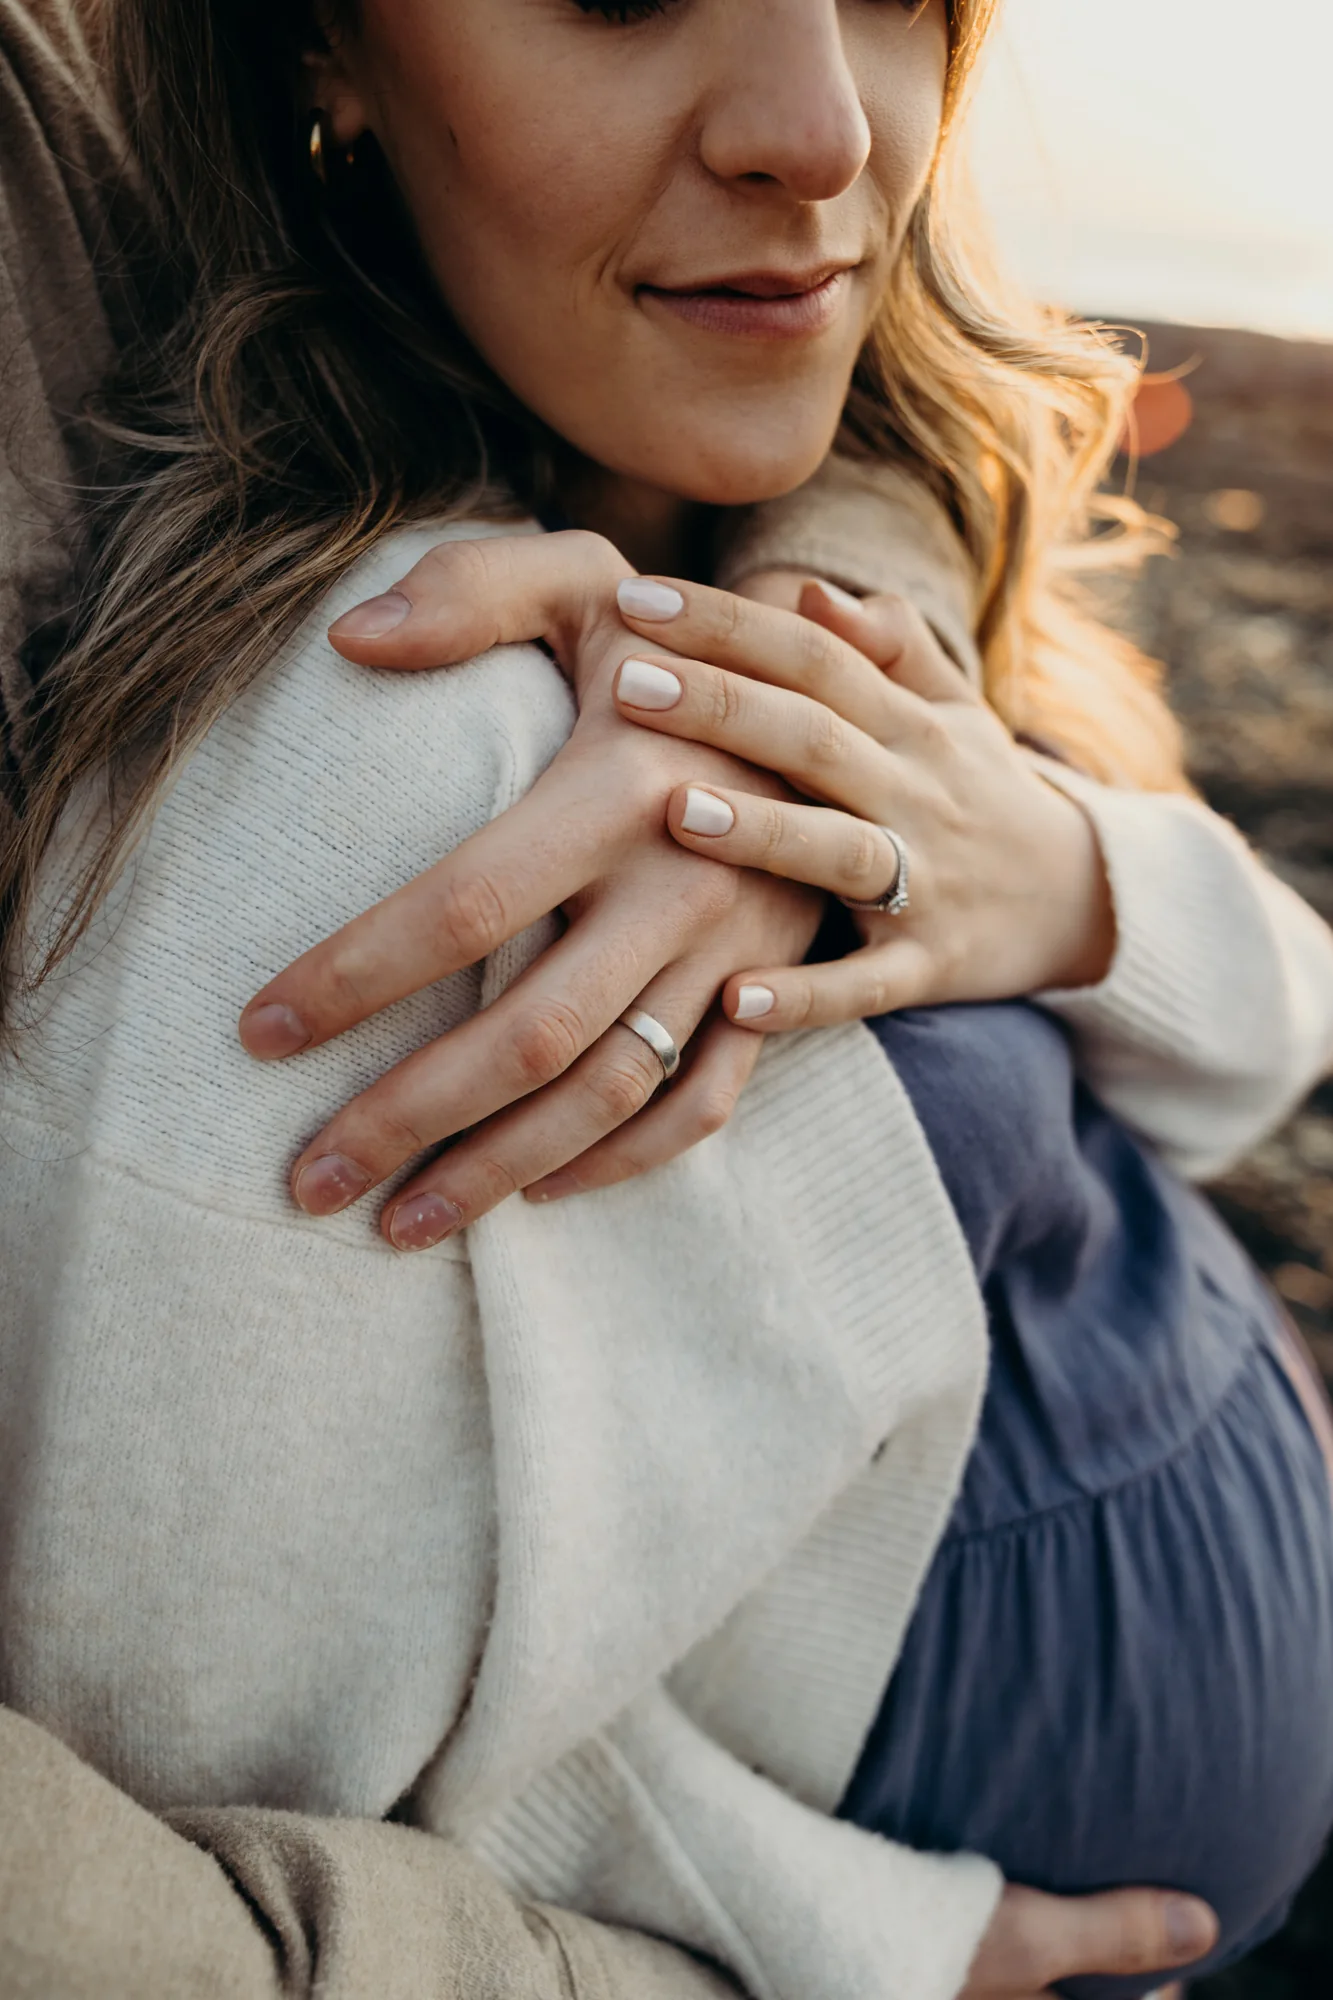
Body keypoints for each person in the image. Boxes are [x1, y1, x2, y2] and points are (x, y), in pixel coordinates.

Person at [1, 5, 1332, 2000]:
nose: (825, 129)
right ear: (318, 46)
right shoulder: (370, 772)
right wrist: (860, 1949)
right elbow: (248, 1734)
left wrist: (1048, 873)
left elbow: (1261, 1042)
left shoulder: (733, 509)